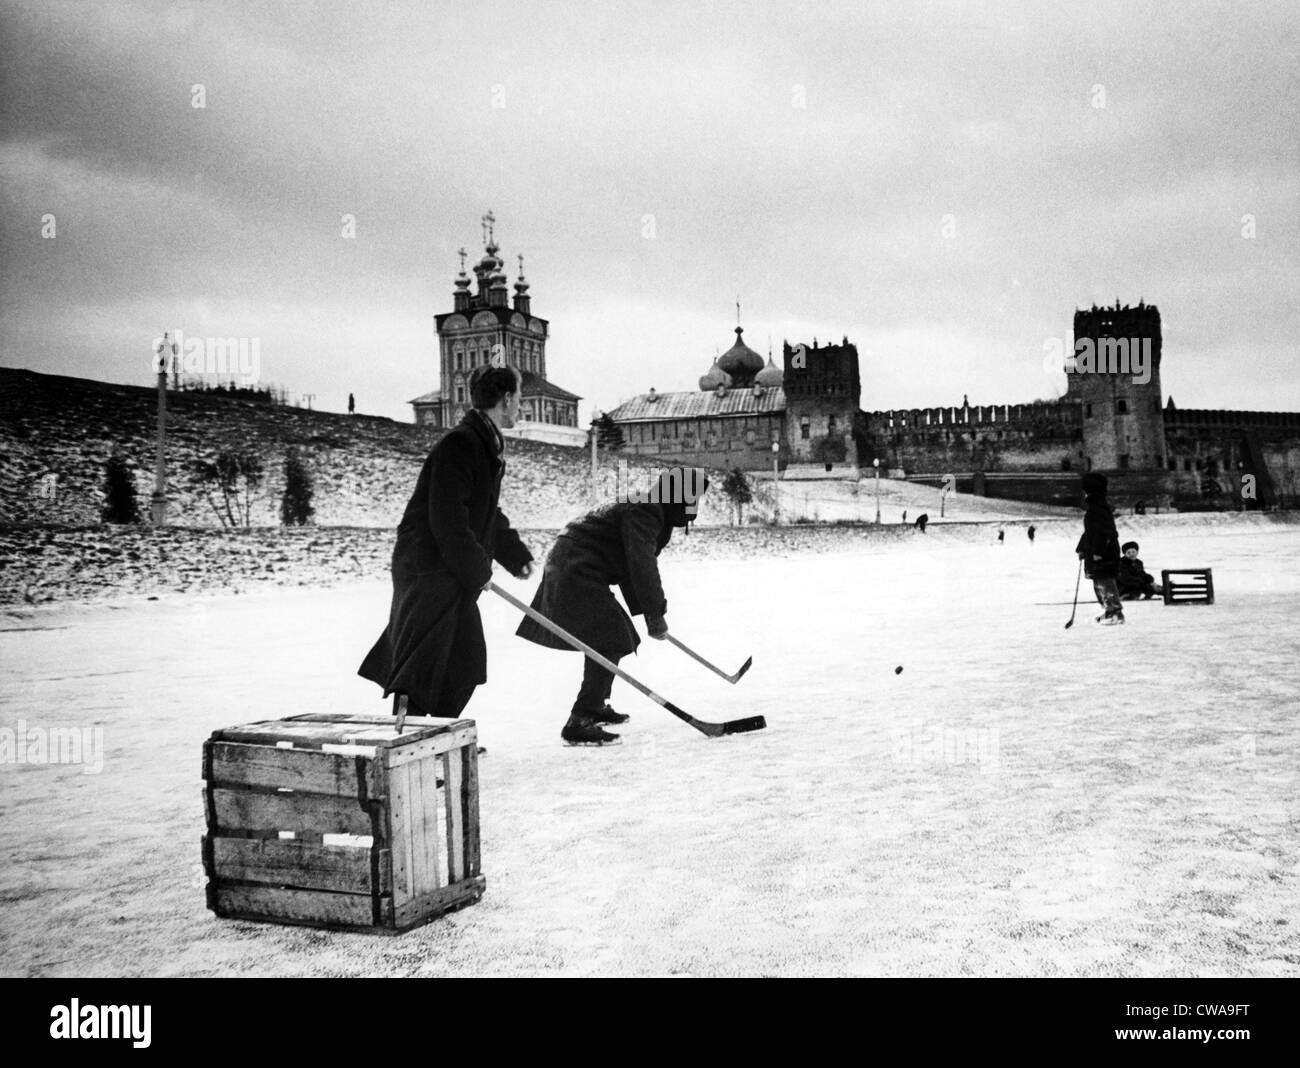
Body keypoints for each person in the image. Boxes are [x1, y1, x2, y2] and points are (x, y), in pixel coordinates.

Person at [358, 365, 534, 721]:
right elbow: (448, 519)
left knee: (464, 662)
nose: (521, 406)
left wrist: (514, 555)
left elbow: (483, 512)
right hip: (428, 567)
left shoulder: (482, 443)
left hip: (449, 567)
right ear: (506, 399)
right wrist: (477, 570)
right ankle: (408, 740)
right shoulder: (462, 444)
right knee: (422, 662)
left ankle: (437, 735)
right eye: (519, 397)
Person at [516, 467, 707, 746]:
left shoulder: (650, 508)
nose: (695, 505)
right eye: (693, 497)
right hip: (575, 568)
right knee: (611, 637)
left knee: (614, 636)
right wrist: (655, 614)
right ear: (678, 495)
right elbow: (642, 565)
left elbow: (632, 566)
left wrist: (649, 614)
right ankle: (581, 719)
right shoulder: (647, 510)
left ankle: (596, 704)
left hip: (576, 565)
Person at [1075, 472, 1123, 624]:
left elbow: (1104, 532)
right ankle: (1108, 610)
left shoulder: (1098, 508)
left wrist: (1098, 552)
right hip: (1096, 551)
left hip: (1103, 553)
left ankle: (1115, 612)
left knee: (1105, 582)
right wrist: (1082, 548)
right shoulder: (1095, 507)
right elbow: (1090, 532)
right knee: (1099, 583)